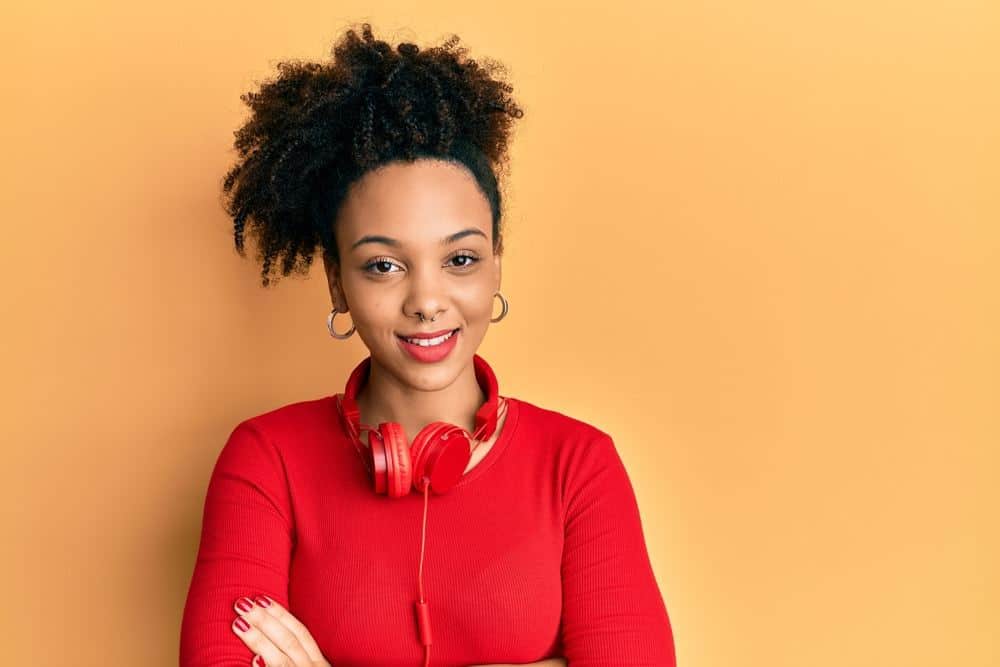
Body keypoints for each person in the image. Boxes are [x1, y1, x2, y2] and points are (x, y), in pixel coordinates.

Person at [179, 22, 677, 667]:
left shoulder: (578, 465)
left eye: (461, 259)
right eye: (384, 265)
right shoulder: (266, 462)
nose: (427, 299)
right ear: (337, 281)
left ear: (497, 263)